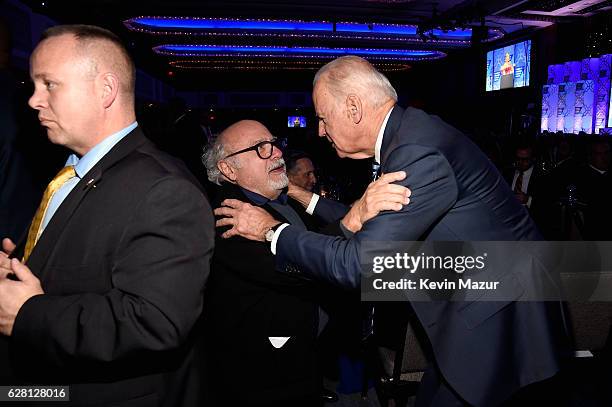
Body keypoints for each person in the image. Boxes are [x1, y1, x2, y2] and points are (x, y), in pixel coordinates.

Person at [214, 56, 568, 407]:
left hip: (499, 317)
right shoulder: (410, 133)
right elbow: (375, 218)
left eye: (322, 118)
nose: (320, 130)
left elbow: (359, 265)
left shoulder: (416, 153)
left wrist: (273, 231)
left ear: (352, 108)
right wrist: (306, 198)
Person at [0, 24, 214, 407]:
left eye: (49, 84)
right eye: (34, 85)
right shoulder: (68, 171)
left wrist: (30, 313)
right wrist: (16, 267)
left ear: (105, 90)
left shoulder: (165, 190)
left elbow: (155, 321)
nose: (33, 100)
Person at [202, 119, 409, 406]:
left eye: (274, 144)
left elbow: (327, 245)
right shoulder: (231, 214)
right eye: (260, 148)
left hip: (303, 358)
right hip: (267, 374)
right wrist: (354, 216)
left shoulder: (281, 201)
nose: (275, 152)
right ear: (228, 169)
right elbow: (302, 266)